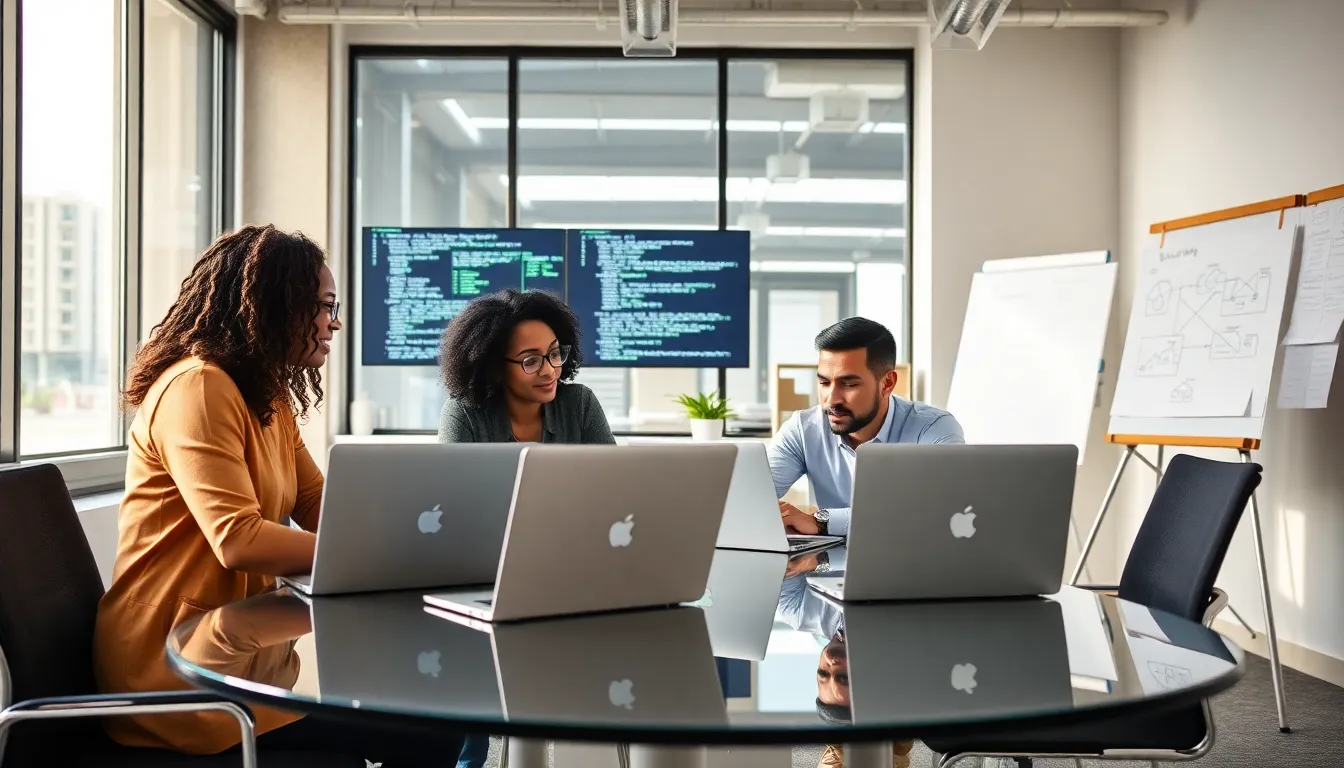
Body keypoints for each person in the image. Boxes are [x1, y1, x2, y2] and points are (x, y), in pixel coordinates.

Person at [94, 225, 464, 765]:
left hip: (240, 665)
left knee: (429, 728)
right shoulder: (198, 386)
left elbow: (317, 502)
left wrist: (417, 533)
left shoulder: (264, 395)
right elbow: (237, 540)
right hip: (176, 678)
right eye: (324, 305)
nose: (333, 322)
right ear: (276, 305)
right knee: (405, 736)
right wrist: (385, 557)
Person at [768, 317, 964, 542]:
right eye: (824, 383)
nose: (831, 400)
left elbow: (942, 509)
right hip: (830, 568)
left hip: (916, 565)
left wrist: (821, 521)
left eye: (849, 384)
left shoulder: (934, 428)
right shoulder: (803, 429)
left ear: (887, 383)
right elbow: (748, 498)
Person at [438, 288, 615, 445]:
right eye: (531, 361)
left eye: (554, 353)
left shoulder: (580, 405)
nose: (549, 371)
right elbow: (452, 483)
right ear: (495, 367)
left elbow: (615, 478)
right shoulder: (464, 415)